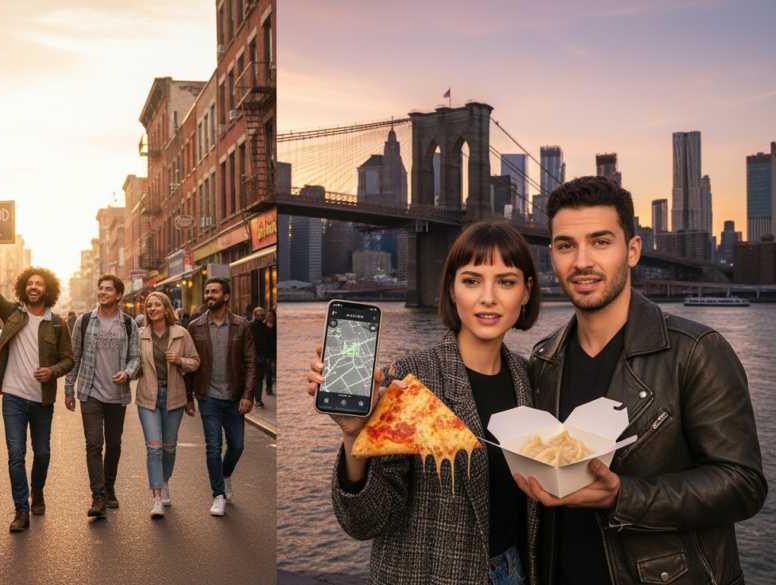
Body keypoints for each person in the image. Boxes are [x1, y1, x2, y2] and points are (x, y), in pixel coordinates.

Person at [512, 176, 766, 585]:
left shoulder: (696, 351)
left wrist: (623, 496)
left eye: (600, 241)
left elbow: (744, 485)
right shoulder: (543, 359)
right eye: (565, 245)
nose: (581, 262)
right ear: (553, 256)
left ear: (631, 251)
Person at [306, 221, 542, 584]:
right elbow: (364, 521)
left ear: (526, 292)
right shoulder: (410, 380)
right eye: (472, 280)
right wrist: (355, 437)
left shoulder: (532, 380)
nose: (489, 297)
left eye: (506, 282)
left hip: (516, 573)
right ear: (451, 289)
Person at [0, 241, 74, 532]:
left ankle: (38, 490)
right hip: (14, 398)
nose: (34, 287)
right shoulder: (12, 313)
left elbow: (69, 359)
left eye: (39, 284)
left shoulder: (57, 324)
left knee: (42, 453)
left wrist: (53, 370)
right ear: (24, 288)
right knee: (15, 454)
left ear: (48, 290)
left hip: (42, 399)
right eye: (29, 283)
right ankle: (21, 510)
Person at [64, 274, 140, 518]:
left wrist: (128, 373)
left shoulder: (128, 324)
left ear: (118, 295)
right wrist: (68, 389)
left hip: (117, 394)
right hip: (91, 392)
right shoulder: (84, 321)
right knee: (94, 445)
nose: (103, 292)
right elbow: (73, 357)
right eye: (100, 288)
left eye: (108, 289)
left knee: (114, 444)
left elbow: (136, 356)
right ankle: (98, 496)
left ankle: (109, 487)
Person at [186, 277, 256, 516]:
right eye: (207, 292)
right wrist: (188, 397)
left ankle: (225, 476)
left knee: (237, 446)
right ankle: (218, 495)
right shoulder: (194, 327)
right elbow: (189, 364)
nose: (209, 296)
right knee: (213, 448)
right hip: (208, 397)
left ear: (226, 297)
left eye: (214, 292)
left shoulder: (241, 325)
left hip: (235, 397)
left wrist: (248, 394)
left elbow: (250, 363)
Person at [135, 292, 200, 518]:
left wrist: (180, 361)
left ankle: (164, 484)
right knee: (154, 447)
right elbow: (132, 361)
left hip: (173, 396)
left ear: (166, 309)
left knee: (169, 448)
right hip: (147, 397)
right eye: (149, 305)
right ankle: (156, 499)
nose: (152, 308)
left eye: (157, 305)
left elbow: (195, 361)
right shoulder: (140, 334)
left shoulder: (181, 334)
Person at [249, 307, 270, 408]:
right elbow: (268, 345)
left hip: (250, 357)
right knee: (259, 379)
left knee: (249, 378)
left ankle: (248, 398)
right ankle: (258, 400)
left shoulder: (249, 326)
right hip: (261, 357)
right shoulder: (266, 328)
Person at [264, 308, 277, 396]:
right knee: (268, 372)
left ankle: (272, 385)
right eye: (268, 316)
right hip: (267, 353)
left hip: (275, 352)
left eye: (271, 316)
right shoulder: (263, 326)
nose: (269, 318)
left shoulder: (276, 326)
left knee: (275, 372)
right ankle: (269, 388)